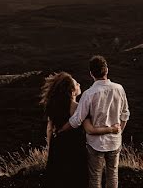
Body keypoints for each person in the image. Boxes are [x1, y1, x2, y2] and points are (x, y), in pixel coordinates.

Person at [40, 72, 121, 188]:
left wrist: (51, 148)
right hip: (75, 149)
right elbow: (90, 130)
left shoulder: (53, 106)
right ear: (72, 90)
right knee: (76, 180)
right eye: (76, 83)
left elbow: (49, 129)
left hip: (57, 148)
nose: (79, 84)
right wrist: (112, 129)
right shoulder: (78, 108)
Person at [60, 55, 130, 188]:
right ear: (107, 70)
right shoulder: (119, 88)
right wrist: (119, 131)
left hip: (95, 143)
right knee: (113, 175)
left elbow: (77, 120)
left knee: (95, 178)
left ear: (91, 74)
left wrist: (62, 129)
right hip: (114, 141)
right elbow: (125, 114)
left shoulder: (88, 94)